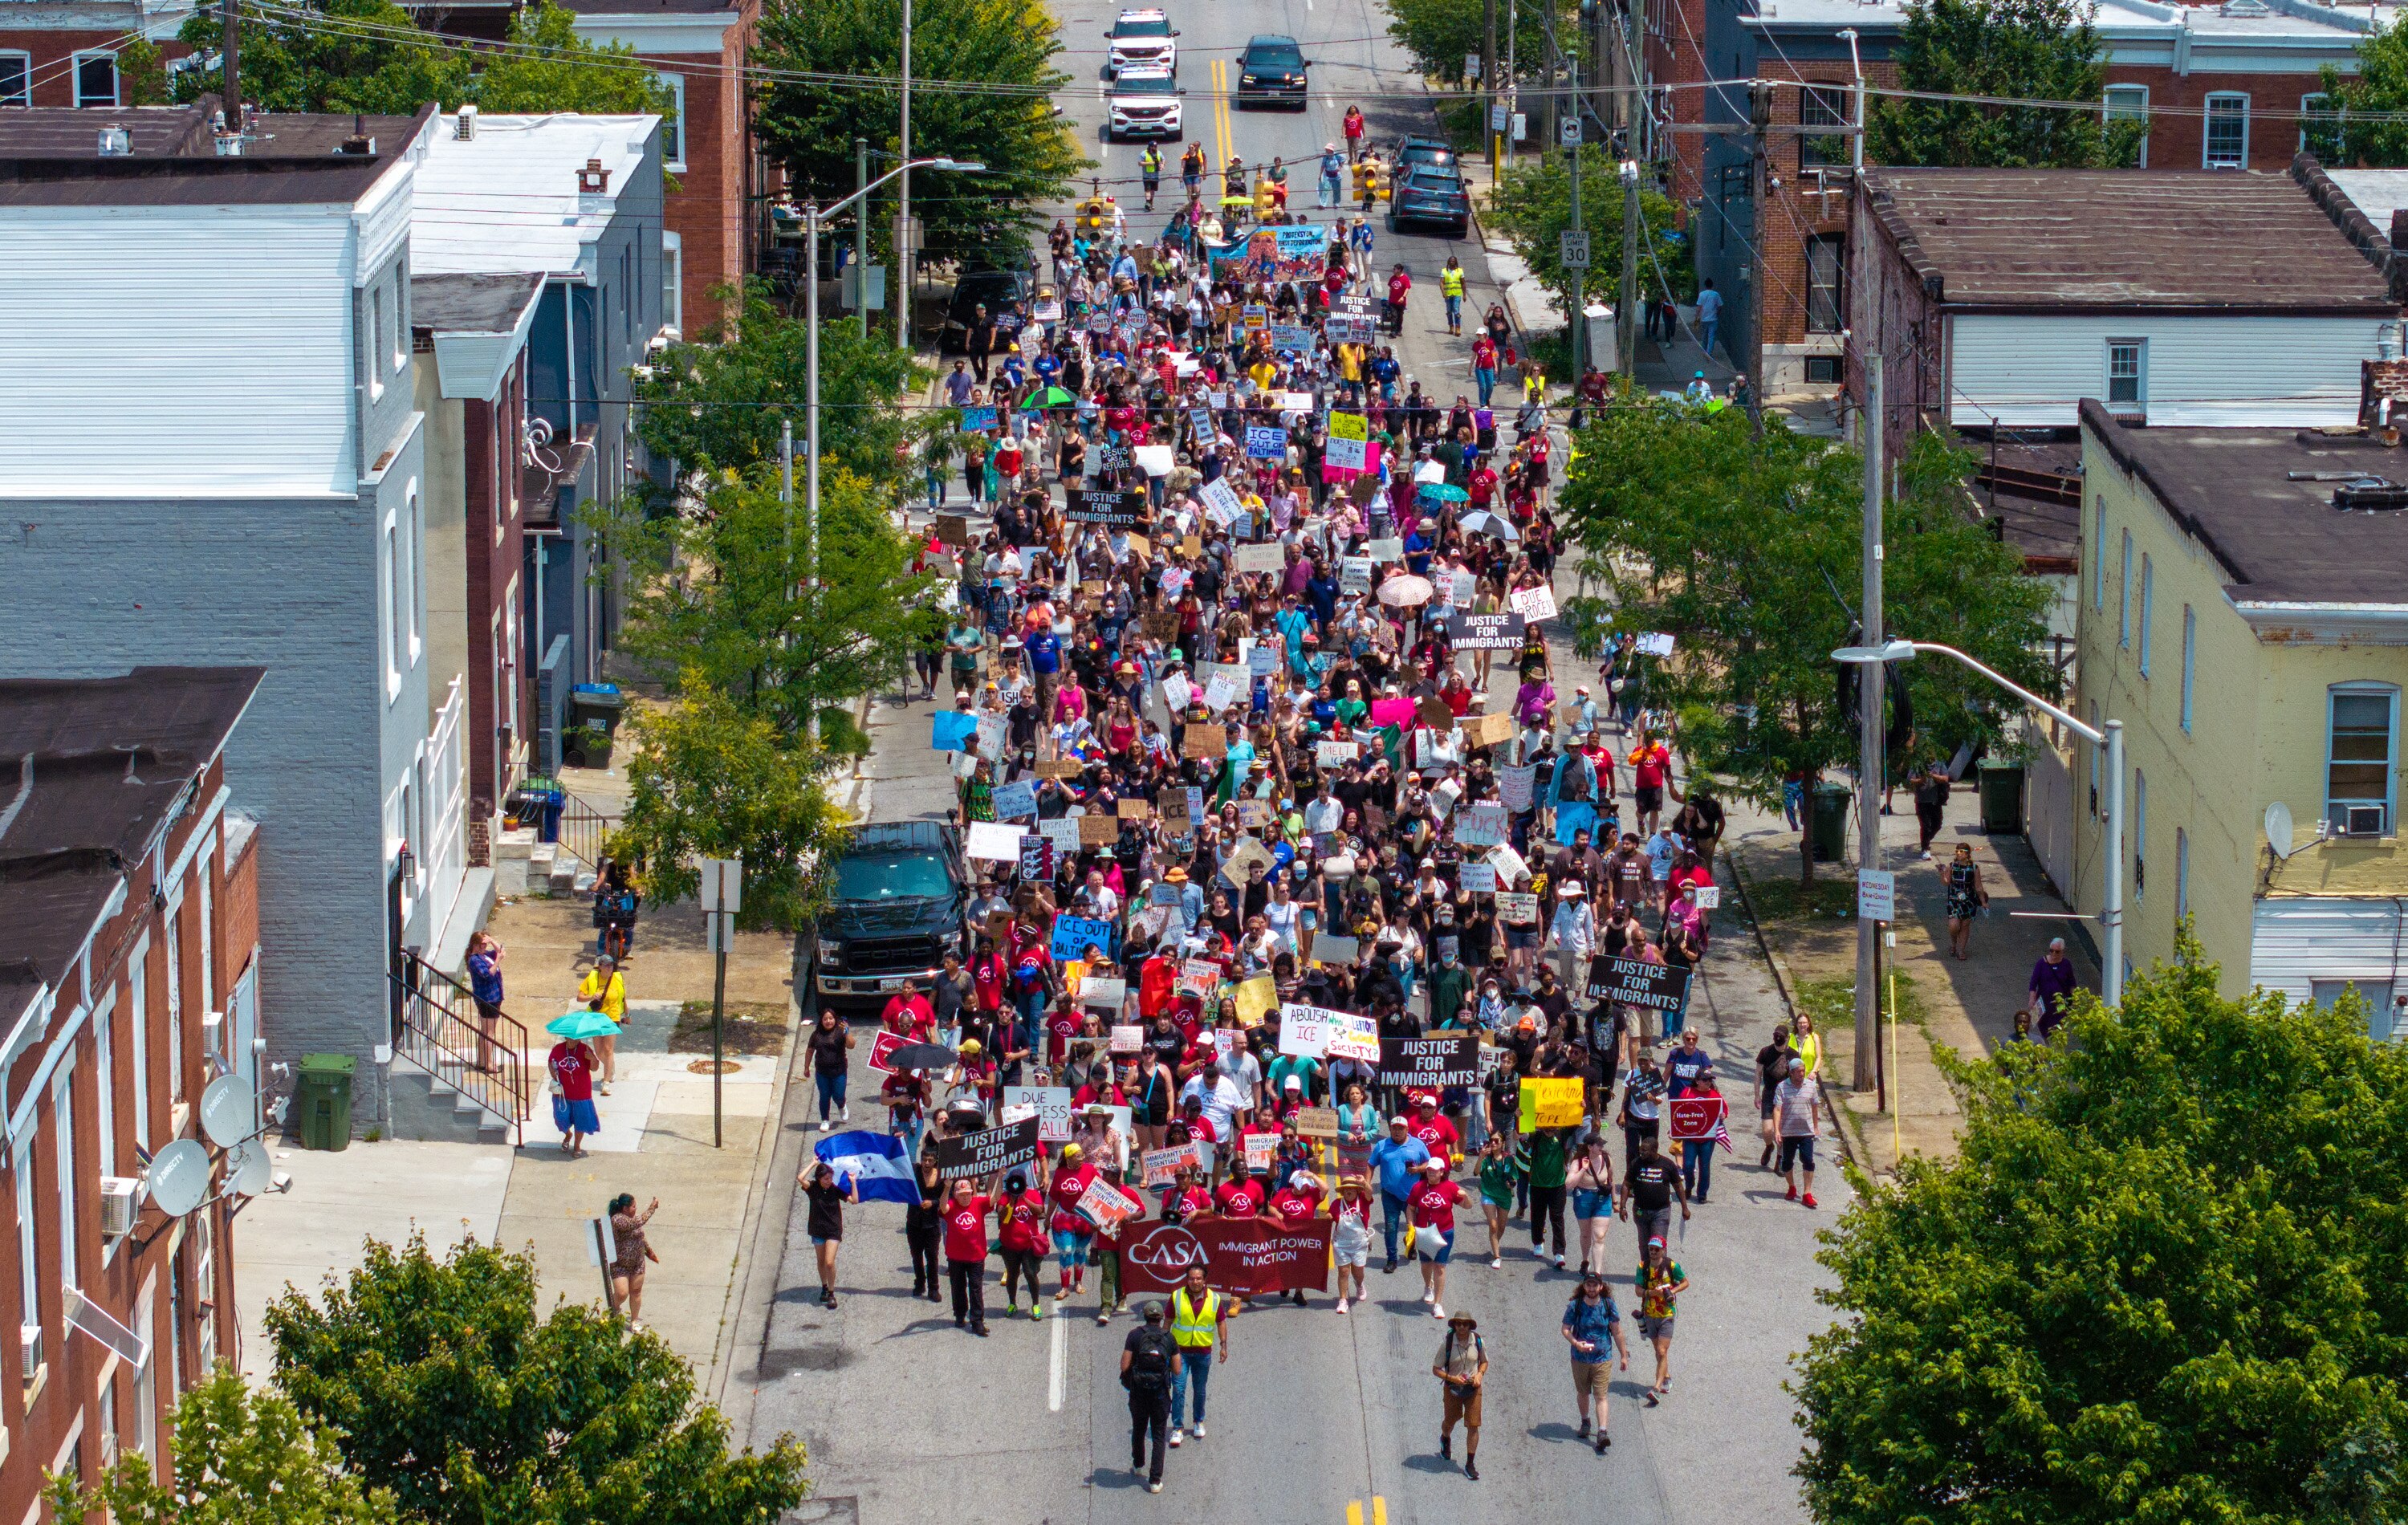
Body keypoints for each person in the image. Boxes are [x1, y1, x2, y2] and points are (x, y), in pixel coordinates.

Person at [1561, 1270, 1631, 1453]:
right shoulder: (1575, 1306)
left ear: (1601, 1287)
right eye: (1588, 1285)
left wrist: (1623, 1355)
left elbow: (1617, 1331)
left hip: (1603, 1358)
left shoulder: (1608, 1305)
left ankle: (1602, 1432)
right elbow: (1566, 1329)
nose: (1592, 1288)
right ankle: (1585, 1421)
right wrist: (1576, 1343)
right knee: (1583, 1392)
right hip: (1580, 1359)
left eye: (1595, 1285)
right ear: (1584, 1287)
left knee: (1601, 1395)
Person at [1168, 1264, 1229, 1446]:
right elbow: (1168, 1322)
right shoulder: (1177, 1296)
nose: (1195, 1282)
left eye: (1198, 1279)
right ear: (1187, 1280)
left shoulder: (1214, 1299)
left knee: (1200, 1390)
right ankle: (1177, 1428)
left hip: (1203, 1353)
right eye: (1192, 1278)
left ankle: (1197, 1422)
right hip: (1180, 1353)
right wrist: (1163, 1348)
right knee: (1178, 1390)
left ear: (1204, 1281)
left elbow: (1221, 1322)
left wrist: (1223, 1346)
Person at [1122, 1301, 1180, 1492]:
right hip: (1160, 1393)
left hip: (1139, 1392)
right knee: (1158, 1434)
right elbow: (1178, 1369)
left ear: (1144, 1316)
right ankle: (1155, 1480)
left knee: (1139, 1428)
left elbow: (1124, 1366)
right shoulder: (1169, 1338)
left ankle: (1138, 1465)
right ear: (1161, 1317)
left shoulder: (1134, 1335)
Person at [1369, 1113, 1432, 1271]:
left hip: (1413, 1195)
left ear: (1407, 1130)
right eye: (1394, 1128)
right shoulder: (1382, 1145)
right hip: (1390, 1194)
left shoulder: (1417, 1144)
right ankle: (1392, 1259)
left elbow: (1429, 1163)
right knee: (1391, 1227)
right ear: (1390, 1129)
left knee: (1417, 1226)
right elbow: (1371, 1165)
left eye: (1400, 1129)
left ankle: (1410, 1245)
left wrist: (1418, 1169)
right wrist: (1366, 1184)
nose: (1397, 1132)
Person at [1409, 1156, 1469, 1319]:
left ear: (1442, 1172)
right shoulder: (1418, 1187)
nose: (1431, 1173)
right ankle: (1428, 1285)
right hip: (1425, 1231)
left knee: (1440, 1266)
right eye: (1429, 1170)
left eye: (1434, 1171)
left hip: (1444, 1232)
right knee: (1426, 1264)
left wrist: (1466, 1196)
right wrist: (1410, 1225)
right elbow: (1411, 1208)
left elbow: (1467, 1206)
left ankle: (1437, 1303)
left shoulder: (1450, 1187)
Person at [1433, 1312, 1488, 1480]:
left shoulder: (1477, 1341)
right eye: (1459, 1324)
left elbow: (1484, 1362)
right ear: (1455, 1326)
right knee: (1450, 1420)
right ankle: (1445, 1437)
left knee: (1473, 1425)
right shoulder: (1448, 1344)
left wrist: (1479, 1375)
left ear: (1470, 1326)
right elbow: (1436, 1369)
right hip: (1453, 1389)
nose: (1462, 1327)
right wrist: (1452, 1378)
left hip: (1473, 1389)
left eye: (1465, 1324)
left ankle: (1470, 1464)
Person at [1634, 1235, 1688, 1405]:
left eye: (1657, 1249)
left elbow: (1686, 1282)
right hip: (1650, 1314)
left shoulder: (1671, 1266)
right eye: (1651, 1249)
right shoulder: (1642, 1267)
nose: (1653, 1252)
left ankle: (1656, 1389)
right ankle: (1666, 1377)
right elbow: (1638, 1290)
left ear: (1663, 1250)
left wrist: (1673, 1291)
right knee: (1658, 1352)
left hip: (1667, 1314)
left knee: (1662, 1351)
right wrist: (1651, 1293)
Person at [800, 1161, 859, 1309]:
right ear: (819, 1178)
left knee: (829, 1262)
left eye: (830, 1178)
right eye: (826, 1178)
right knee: (820, 1261)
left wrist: (853, 1183)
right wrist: (813, 1164)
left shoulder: (835, 1189)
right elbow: (800, 1178)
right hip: (817, 1229)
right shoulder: (812, 1188)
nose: (829, 1181)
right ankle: (824, 1287)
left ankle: (832, 1292)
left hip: (833, 1230)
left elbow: (855, 1200)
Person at [942, 1176, 996, 1336]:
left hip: (976, 1256)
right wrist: (947, 1188)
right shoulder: (951, 1205)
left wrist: (1000, 1178)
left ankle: (977, 1321)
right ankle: (960, 1315)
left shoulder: (978, 1204)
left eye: (968, 1194)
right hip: (956, 1256)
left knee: (976, 1288)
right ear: (956, 1195)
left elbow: (995, 1198)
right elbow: (943, 1207)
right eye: (962, 1194)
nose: (965, 1198)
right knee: (958, 1287)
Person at [1617, 1132, 1687, 1253]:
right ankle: (1645, 1270)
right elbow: (1626, 1185)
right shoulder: (1636, 1163)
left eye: (1645, 1150)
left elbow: (1679, 1187)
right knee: (1644, 1246)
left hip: (1661, 1212)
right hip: (1640, 1211)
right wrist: (1622, 1207)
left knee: (1658, 1245)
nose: (1641, 1153)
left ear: (1655, 1150)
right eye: (1641, 1150)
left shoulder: (1667, 1165)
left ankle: (1659, 1271)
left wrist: (1684, 1208)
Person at [996, 1171, 1050, 1319]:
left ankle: (1036, 1305)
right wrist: (1011, 1202)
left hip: (1028, 1244)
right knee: (1012, 1275)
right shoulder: (1006, 1196)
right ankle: (1012, 1303)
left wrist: (1024, 1199)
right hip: (1009, 1245)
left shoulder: (1032, 1194)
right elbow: (1001, 1215)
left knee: (1030, 1274)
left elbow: (1040, 1211)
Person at [1775, 1056, 1823, 1208]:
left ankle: (1807, 1193)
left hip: (1806, 1132)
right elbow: (1777, 1109)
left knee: (1808, 1161)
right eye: (1799, 1071)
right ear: (1791, 1073)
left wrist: (1816, 1127)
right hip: (1788, 1132)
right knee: (1787, 1162)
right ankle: (1792, 1187)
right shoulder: (1782, 1087)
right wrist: (1777, 1130)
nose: (1802, 1074)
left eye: (1803, 1071)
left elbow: (1815, 1107)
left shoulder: (1810, 1086)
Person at [575, 954, 626, 1093]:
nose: (610, 968)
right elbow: (579, 997)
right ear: (601, 967)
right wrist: (591, 997)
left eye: (611, 965)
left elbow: (623, 998)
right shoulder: (592, 978)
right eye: (607, 965)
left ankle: (606, 1082)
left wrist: (627, 1014)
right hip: (596, 1017)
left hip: (612, 1017)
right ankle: (611, 1067)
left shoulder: (617, 978)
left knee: (608, 1049)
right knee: (599, 1051)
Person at [607, 1192, 658, 1328]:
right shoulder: (617, 1220)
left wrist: (649, 1252)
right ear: (625, 1209)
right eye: (634, 1206)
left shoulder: (633, 1219)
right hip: (620, 1265)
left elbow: (640, 1236)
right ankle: (614, 1309)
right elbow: (637, 1223)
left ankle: (634, 1321)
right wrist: (651, 1208)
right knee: (622, 1293)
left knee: (636, 1292)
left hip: (637, 1263)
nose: (636, 1208)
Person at [548, 1032, 600, 1157]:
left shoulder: (585, 1049)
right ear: (566, 1037)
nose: (573, 1040)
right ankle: (568, 1135)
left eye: (576, 1038)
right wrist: (553, 1072)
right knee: (560, 1118)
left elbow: (595, 1068)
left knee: (581, 1121)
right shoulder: (558, 1049)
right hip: (562, 1093)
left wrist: (592, 1059)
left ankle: (577, 1146)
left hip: (582, 1094)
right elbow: (551, 1063)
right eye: (570, 1037)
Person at [804, 1007, 856, 1131]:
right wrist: (806, 1067)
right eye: (825, 1019)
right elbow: (810, 1050)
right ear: (821, 1021)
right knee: (824, 1095)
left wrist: (847, 1032)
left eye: (831, 1018)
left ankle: (842, 1105)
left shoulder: (841, 1032)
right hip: (822, 1072)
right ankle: (825, 1120)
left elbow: (851, 1045)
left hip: (839, 1071)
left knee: (838, 1095)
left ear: (835, 1019)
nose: (828, 1021)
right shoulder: (816, 1034)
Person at [1331, 1173, 1374, 1312]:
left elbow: (1369, 1192)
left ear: (1357, 1190)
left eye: (1351, 1188)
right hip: (1341, 1244)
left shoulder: (1363, 1201)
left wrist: (1364, 1183)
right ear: (1343, 1191)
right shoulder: (1337, 1204)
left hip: (1359, 1243)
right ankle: (1343, 1300)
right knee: (1343, 1272)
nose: (1348, 1191)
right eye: (1346, 1189)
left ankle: (1360, 1285)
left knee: (1358, 1272)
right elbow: (1328, 1217)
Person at [465, 931, 506, 1073]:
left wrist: (492, 940)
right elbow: (488, 975)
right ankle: (489, 1064)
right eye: (482, 944)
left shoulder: (485, 955)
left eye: (486, 944)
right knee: (489, 1033)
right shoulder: (475, 960)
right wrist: (498, 961)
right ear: (475, 944)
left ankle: (482, 1061)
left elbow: (500, 951)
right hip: (488, 999)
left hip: (494, 997)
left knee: (484, 1031)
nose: (485, 946)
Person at [1942, 841, 1988, 959]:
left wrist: (1983, 902)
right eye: (1957, 851)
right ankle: (1953, 944)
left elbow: (1978, 886)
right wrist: (1942, 874)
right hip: (1954, 900)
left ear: (1968, 854)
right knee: (1953, 926)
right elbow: (1946, 883)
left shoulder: (1974, 868)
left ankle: (1961, 951)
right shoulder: (1951, 866)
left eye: (1961, 851)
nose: (1958, 853)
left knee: (1964, 926)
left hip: (1969, 900)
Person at [2028, 937, 2081, 1038]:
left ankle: (2055, 1047)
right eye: (2051, 951)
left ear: (2063, 952)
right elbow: (2033, 983)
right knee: (2043, 1027)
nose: (2053, 954)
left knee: (2058, 1030)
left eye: (2057, 952)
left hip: (2060, 1005)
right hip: (2043, 1003)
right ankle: (2047, 1044)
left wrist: (2075, 1000)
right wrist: (2032, 999)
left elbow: (2072, 983)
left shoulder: (2066, 964)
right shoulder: (2041, 963)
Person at [1914, 762, 1951, 859]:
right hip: (1922, 800)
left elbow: (1946, 778)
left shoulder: (1940, 764)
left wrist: (1933, 776)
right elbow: (1910, 780)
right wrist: (1921, 780)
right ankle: (1925, 849)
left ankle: (1925, 842)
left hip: (1936, 800)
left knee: (1937, 824)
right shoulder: (1918, 764)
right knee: (1926, 826)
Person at [1695, 278, 1723, 361]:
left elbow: (1699, 307)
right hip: (1713, 318)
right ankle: (1709, 353)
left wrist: (1696, 317)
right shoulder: (1716, 294)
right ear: (1712, 285)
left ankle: (1704, 351)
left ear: (1705, 285)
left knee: (1704, 336)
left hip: (1704, 319)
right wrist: (1717, 313)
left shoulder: (1702, 294)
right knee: (1711, 336)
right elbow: (1720, 306)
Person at [1439, 255, 1466, 336]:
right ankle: (1451, 326)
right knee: (1449, 311)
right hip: (1448, 294)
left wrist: (1464, 295)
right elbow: (1441, 282)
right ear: (1448, 262)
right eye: (1450, 261)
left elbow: (1463, 283)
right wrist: (1443, 292)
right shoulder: (1444, 271)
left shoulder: (1460, 271)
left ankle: (1458, 328)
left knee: (1456, 311)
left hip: (1457, 294)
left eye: (1453, 261)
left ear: (1456, 262)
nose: (1452, 262)